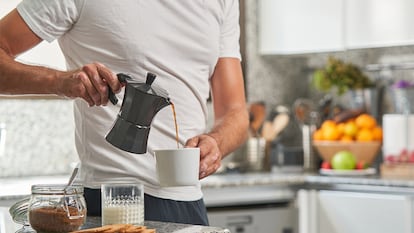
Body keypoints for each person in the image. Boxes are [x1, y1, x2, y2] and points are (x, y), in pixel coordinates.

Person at [0, 0, 249, 225]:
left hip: (188, 204)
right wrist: (60, 81)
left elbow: (235, 112)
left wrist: (217, 142)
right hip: (106, 202)